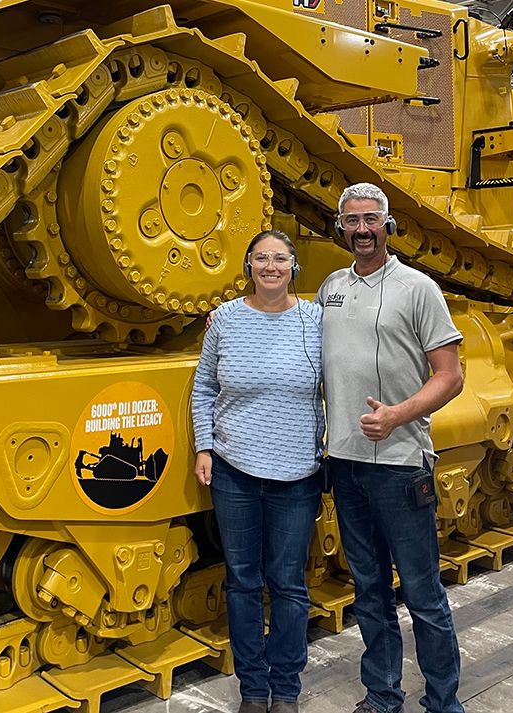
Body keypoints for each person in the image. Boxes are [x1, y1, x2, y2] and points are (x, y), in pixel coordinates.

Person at [316, 183, 465, 713]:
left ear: (388, 225)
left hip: (401, 466)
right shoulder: (331, 287)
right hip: (346, 464)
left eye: (370, 220)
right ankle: (383, 696)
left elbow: (450, 376)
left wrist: (398, 414)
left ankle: (444, 703)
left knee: (423, 595)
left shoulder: (418, 288)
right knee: (369, 592)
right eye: (352, 221)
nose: (362, 230)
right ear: (341, 227)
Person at [192, 229, 324, 713]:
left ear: (294, 266)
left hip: (297, 473)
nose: (271, 266)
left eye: (280, 258)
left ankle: (285, 689)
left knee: (288, 583)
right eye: (261, 258)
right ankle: (253, 689)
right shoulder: (225, 319)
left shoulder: (316, 319)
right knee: (242, 581)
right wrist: (204, 446)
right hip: (234, 471)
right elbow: (204, 387)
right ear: (248, 265)